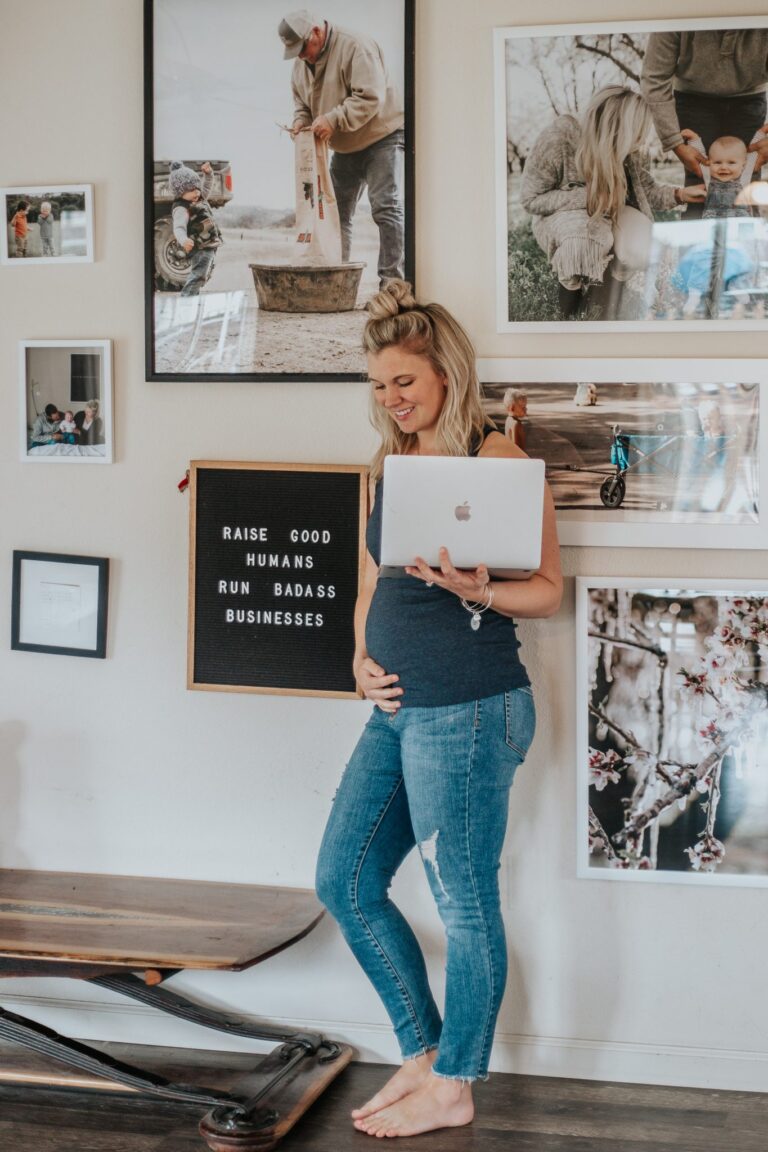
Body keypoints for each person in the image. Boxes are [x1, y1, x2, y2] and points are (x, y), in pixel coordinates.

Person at [315, 280, 562, 1139]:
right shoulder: (389, 465)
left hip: (469, 708)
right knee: (342, 880)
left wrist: (481, 588)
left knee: (461, 900)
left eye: (405, 383)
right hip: (396, 709)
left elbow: (549, 593)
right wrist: (358, 659)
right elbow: (368, 581)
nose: (391, 399)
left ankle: (456, 1082)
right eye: (380, 386)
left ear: (447, 375)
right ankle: (422, 1054)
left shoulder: (498, 460)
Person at [520, 86, 706, 319]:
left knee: (640, 246)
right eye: (637, 132)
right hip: (563, 216)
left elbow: (645, 190)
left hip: (612, 210)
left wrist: (680, 195)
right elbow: (531, 199)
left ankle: (602, 301)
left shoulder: (631, 150)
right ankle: (568, 305)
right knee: (585, 237)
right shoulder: (561, 137)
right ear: (617, 130)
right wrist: (588, 197)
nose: (640, 141)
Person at [279, 10, 405, 286]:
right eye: (295, 51)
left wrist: (333, 119)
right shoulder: (301, 65)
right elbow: (302, 103)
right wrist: (301, 121)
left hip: (381, 135)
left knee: (385, 206)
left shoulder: (356, 47)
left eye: (303, 48)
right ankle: (338, 280)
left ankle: (392, 284)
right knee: (336, 213)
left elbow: (371, 97)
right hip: (345, 144)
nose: (301, 56)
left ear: (316, 31)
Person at [640, 29, 768, 219]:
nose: (724, 168)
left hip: (750, 96)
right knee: (698, 178)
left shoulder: (746, 167)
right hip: (693, 98)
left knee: (749, 179)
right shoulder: (709, 171)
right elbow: (654, 78)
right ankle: (696, 243)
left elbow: (753, 150)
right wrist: (675, 141)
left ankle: (747, 239)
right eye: (719, 164)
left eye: (730, 164)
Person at [169, 161, 221, 297]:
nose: (197, 192)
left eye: (197, 188)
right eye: (192, 189)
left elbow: (207, 187)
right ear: (180, 191)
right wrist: (183, 240)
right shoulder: (181, 208)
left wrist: (209, 174)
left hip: (208, 244)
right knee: (199, 275)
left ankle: (191, 300)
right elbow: (179, 228)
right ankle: (186, 301)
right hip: (200, 247)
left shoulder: (196, 198)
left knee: (201, 276)